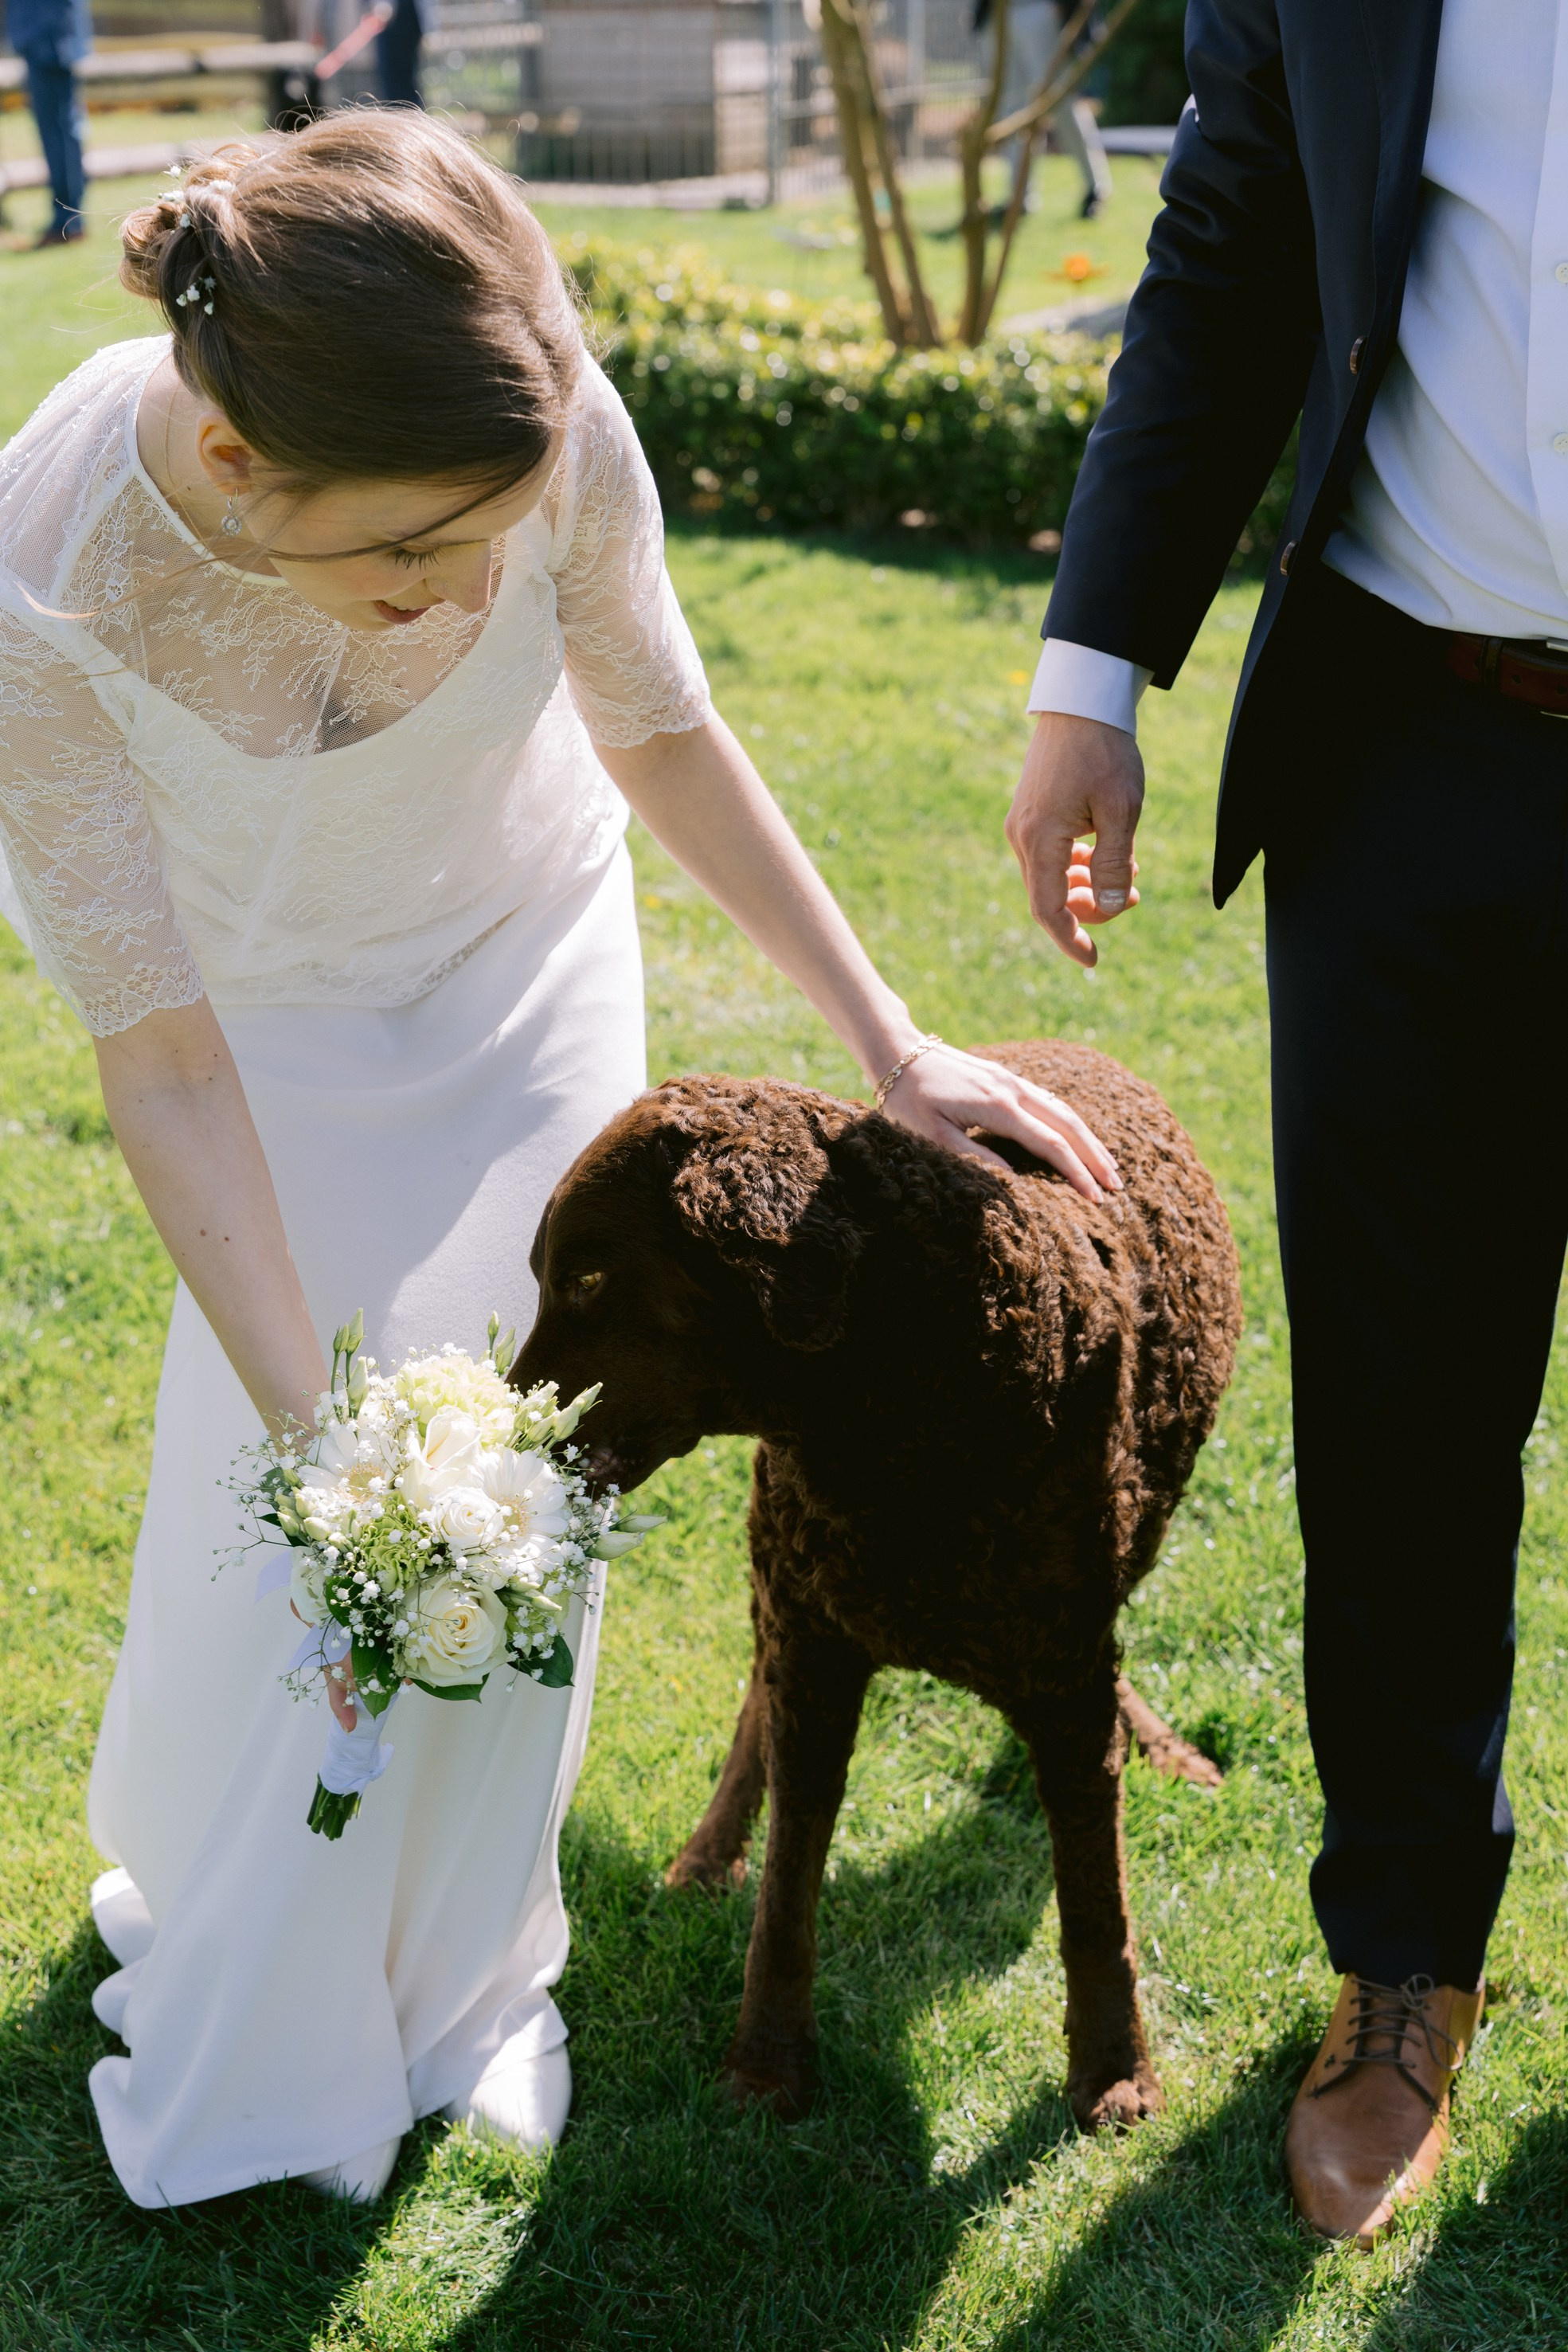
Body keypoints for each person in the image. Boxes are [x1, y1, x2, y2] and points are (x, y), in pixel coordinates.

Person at [0, 112, 1116, 2209]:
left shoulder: (532, 406)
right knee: (319, 1523)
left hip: (525, 971)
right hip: (271, 1053)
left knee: (522, 1505)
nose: (463, 607)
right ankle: (280, 1975)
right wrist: (317, 1425)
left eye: (500, 541)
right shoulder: (51, 581)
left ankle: (475, 1977)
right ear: (242, 471)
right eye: (414, 556)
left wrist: (891, 1045)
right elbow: (152, 1063)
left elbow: (659, 726)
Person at [1007, 0, 1562, 2252]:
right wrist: (1089, 675)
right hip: (1412, 738)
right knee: (1409, 1402)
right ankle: (1402, 1963)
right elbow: (1233, 246)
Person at [974, 0, 1113, 221]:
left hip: (1036, 9)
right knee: (1010, 107)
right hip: (998, 13)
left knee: (1059, 99)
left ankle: (1094, 186)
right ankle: (1019, 197)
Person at [4, 0, 88, 247]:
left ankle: (67, 220)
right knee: (64, 130)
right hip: (53, 37)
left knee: (57, 134)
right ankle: (70, 218)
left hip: (47, 39)